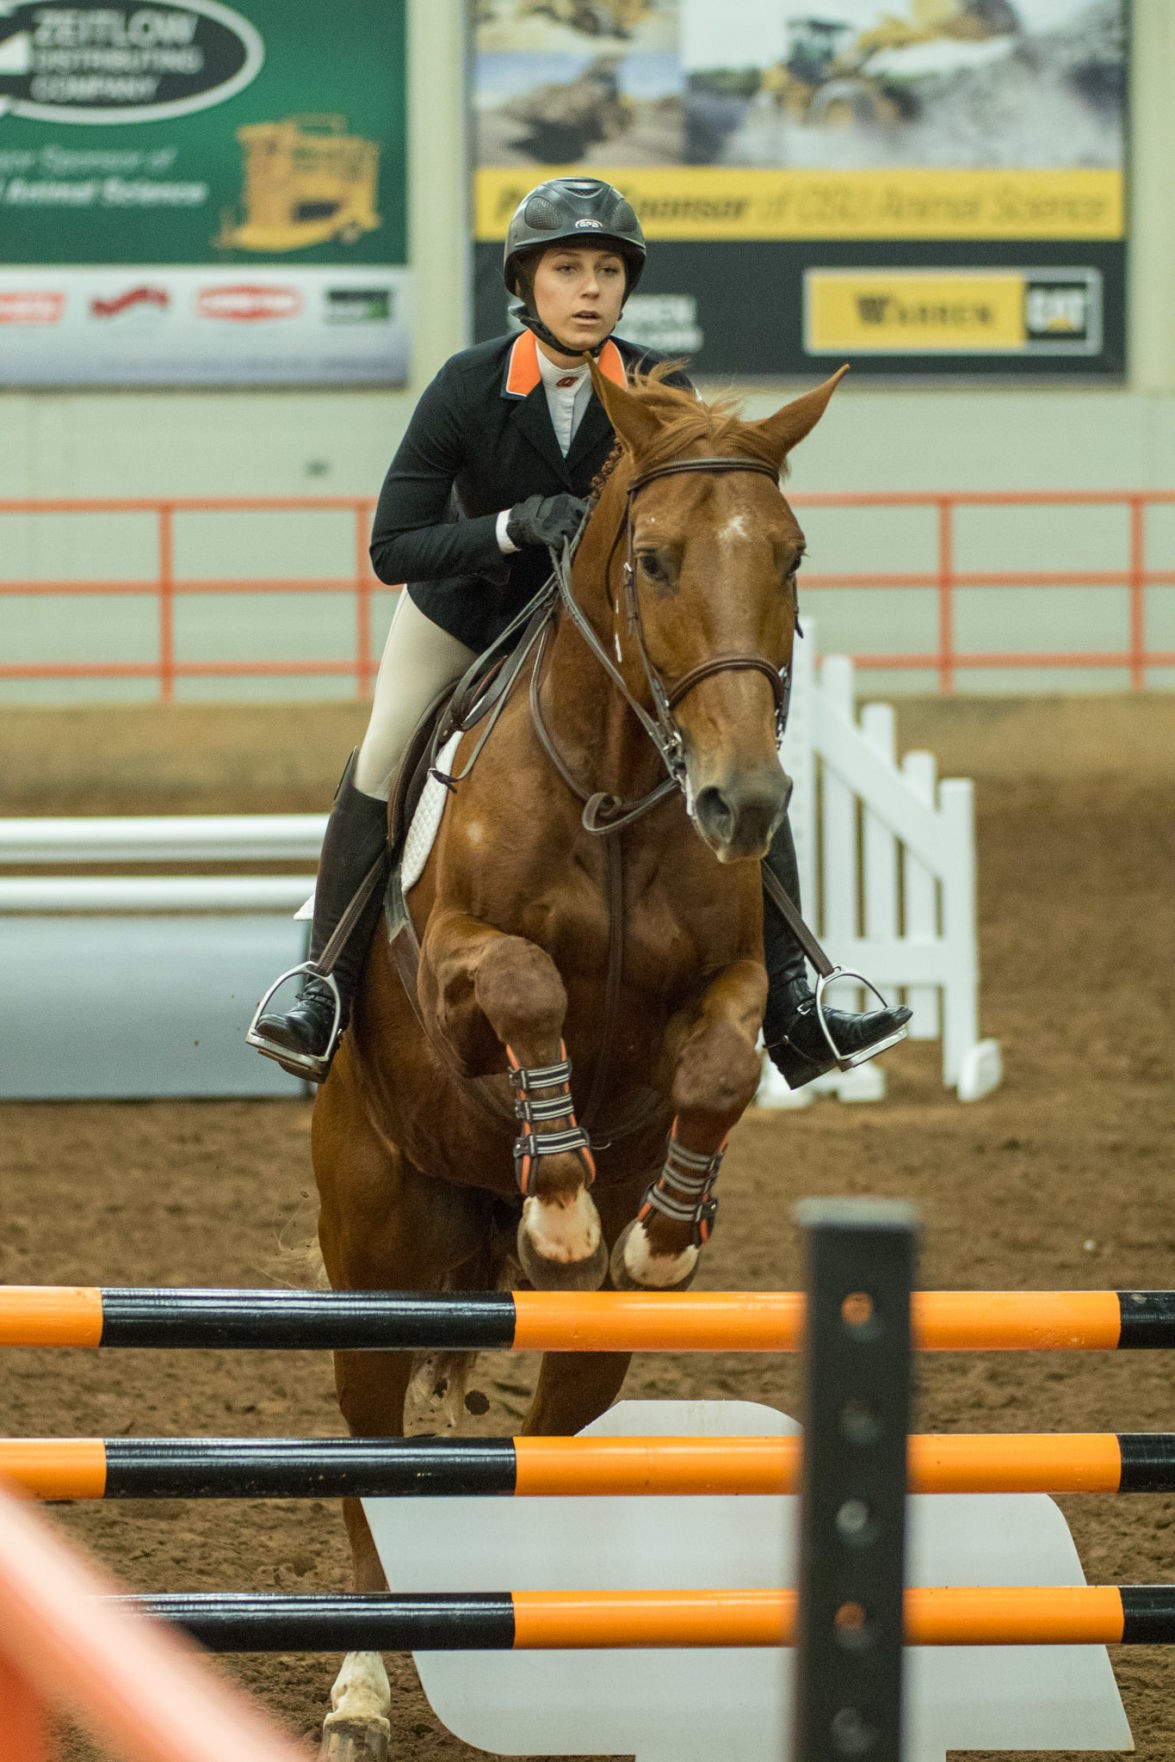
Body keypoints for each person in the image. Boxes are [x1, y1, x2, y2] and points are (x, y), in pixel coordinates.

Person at [249, 176, 910, 1087]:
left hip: (602, 628)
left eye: (607, 269)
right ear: (530, 283)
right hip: (469, 612)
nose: (590, 288)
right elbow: (393, 545)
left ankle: (798, 994)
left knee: (736, 748)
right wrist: (513, 527)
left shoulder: (657, 393)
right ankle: (317, 985)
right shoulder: (469, 386)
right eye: (568, 269)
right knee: (381, 754)